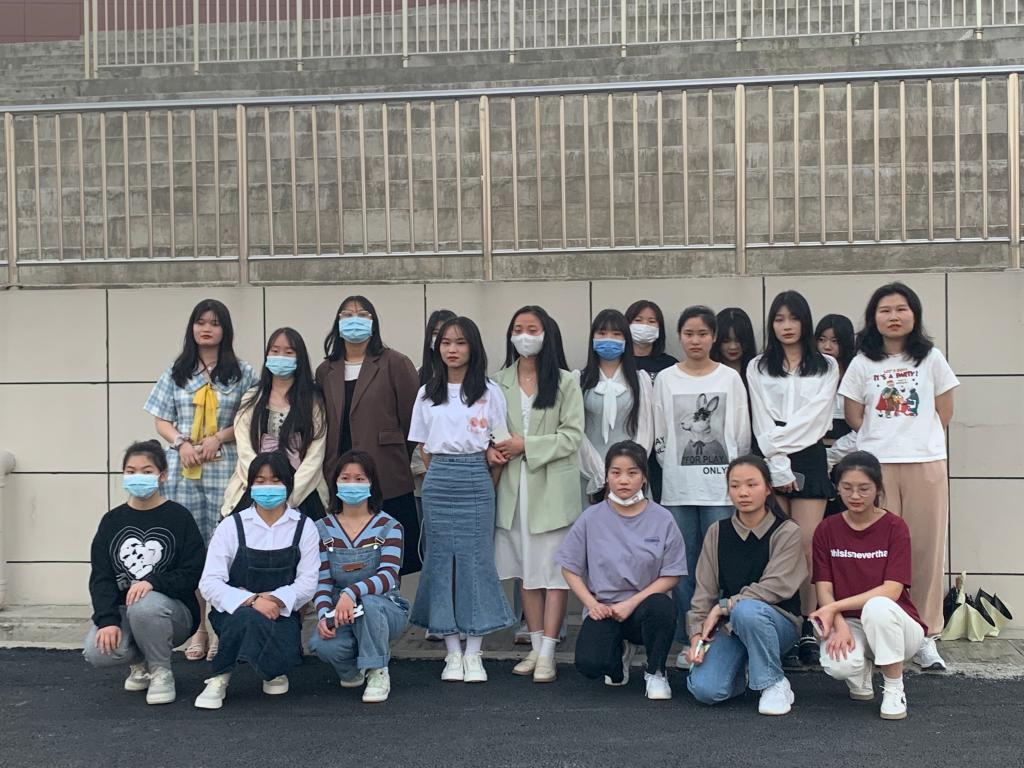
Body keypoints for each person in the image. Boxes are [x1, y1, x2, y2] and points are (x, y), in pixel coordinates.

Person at [839, 282, 958, 671]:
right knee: (880, 553)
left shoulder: (931, 358)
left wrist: (914, 438)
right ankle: (882, 630)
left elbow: (944, 411)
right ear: (873, 317)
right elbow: (854, 416)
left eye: (901, 309)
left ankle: (925, 635)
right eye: (885, 310)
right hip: (878, 466)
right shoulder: (862, 363)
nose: (893, 316)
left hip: (925, 462)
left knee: (925, 550)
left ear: (914, 315)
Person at [144, 298, 258, 662]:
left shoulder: (242, 372)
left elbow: (249, 419)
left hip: (225, 471)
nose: (206, 329)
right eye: (200, 322)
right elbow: (161, 418)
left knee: (225, 551)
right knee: (191, 550)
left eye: (214, 323)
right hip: (184, 471)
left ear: (226, 329)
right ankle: (199, 629)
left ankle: (222, 627)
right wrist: (180, 442)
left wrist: (219, 437)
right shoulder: (177, 371)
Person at [408, 316, 516, 683]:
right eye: (445, 343)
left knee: (476, 562)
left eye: (460, 342)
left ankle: (474, 651)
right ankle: (452, 650)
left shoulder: (490, 391)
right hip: (439, 478)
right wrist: (442, 472)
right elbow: (424, 448)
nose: (452, 350)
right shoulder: (426, 393)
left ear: (473, 347)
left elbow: (500, 444)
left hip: (476, 476)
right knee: (441, 562)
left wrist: (485, 477)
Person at [653, 306, 750, 667]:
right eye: (689, 333)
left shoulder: (729, 378)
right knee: (683, 565)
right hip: (678, 489)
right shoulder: (665, 379)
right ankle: (687, 638)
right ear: (680, 336)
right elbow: (659, 430)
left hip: (719, 490)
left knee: (720, 566)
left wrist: (733, 477)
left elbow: (740, 432)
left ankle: (720, 637)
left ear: (714, 337)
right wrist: (670, 464)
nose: (696, 340)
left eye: (703, 334)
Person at [493, 305, 585, 683]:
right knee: (525, 571)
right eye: (518, 328)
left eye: (532, 328)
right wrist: (494, 449)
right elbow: (489, 431)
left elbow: (572, 436)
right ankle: (534, 646)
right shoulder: (497, 382)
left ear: (548, 334)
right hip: (513, 489)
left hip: (552, 491)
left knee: (553, 573)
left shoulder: (566, 382)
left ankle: (548, 650)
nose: (524, 335)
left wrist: (526, 445)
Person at [747, 290, 838, 666]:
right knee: (773, 544)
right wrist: (777, 462)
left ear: (805, 321)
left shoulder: (826, 366)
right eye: (779, 319)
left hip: (808, 454)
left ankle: (809, 625)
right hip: (768, 456)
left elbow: (816, 418)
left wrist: (781, 453)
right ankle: (780, 620)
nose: (786, 326)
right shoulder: (757, 366)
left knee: (806, 544)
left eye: (793, 318)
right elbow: (760, 417)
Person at [556, 441, 685, 700]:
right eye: (616, 473)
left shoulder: (662, 518)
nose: (623, 480)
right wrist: (592, 604)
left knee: (663, 607)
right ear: (607, 476)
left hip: (644, 608)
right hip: (604, 609)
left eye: (632, 473)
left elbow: (672, 574)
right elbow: (569, 567)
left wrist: (631, 604)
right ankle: (619, 659)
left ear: (644, 478)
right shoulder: (591, 517)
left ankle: (656, 672)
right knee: (590, 665)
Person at [83, 441, 205, 705]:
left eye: (147, 471)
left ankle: (161, 671)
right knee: (97, 652)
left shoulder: (179, 517)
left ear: (163, 475)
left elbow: (192, 572)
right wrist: (107, 620)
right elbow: (101, 578)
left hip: (171, 612)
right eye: (131, 471)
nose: (138, 477)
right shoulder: (111, 521)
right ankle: (141, 664)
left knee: (145, 604)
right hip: (125, 611)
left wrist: (152, 582)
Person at [194, 452, 320, 710]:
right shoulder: (231, 526)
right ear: (250, 485)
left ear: (288, 484)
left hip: (280, 614)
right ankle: (220, 677)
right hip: (234, 614)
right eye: (260, 481)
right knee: (246, 618)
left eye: (275, 480)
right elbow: (209, 582)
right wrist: (252, 601)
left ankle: (272, 668)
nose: (267, 487)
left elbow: (308, 582)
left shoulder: (304, 526)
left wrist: (272, 600)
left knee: (261, 623)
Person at [685, 455, 807, 715]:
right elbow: (704, 590)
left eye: (752, 485)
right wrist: (697, 635)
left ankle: (773, 683)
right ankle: (748, 668)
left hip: (777, 623)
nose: (743, 492)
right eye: (735, 485)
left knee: (747, 610)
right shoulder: (717, 531)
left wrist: (724, 606)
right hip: (732, 627)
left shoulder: (787, 531)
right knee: (706, 690)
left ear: (768, 488)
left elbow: (775, 586)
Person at [810, 451, 926, 720]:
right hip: (850, 622)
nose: (855, 496)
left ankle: (894, 688)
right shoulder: (826, 529)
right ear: (837, 488)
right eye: (847, 488)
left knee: (877, 607)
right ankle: (859, 671)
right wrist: (839, 624)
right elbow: (824, 589)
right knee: (839, 665)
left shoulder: (895, 527)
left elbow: (892, 590)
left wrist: (834, 608)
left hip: (896, 624)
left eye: (864, 489)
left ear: (878, 489)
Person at [316, 294, 422, 575]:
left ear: (373, 323)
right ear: (337, 323)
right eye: (347, 315)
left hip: (386, 473)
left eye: (362, 315)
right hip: (342, 477)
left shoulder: (395, 363)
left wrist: (395, 453)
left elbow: (413, 422)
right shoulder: (326, 370)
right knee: (346, 555)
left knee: (391, 557)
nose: (355, 320)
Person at [309, 450, 410, 703]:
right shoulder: (321, 529)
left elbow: (388, 576)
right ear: (335, 483)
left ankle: (378, 671)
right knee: (323, 645)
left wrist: (350, 593)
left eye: (359, 478)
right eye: (345, 478)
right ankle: (352, 670)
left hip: (384, 607)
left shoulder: (390, 527)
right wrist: (324, 615)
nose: (351, 484)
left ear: (371, 484)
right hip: (340, 611)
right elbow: (323, 581)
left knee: (370, 604)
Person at [222, 327, 328, 520]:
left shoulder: (313, 401)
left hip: (303, 491)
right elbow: (244, 450)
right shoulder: (252, 398)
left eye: (289, 352)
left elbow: (316, 453)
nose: (281, 357)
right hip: (255, 486)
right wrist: (261, 484)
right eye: (275, 351)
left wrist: (290, 495)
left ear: (300, 358)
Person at [578, 308, 654, 503]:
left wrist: (630, 469)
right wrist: (599, 472)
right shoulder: (578, 380)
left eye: (616, 334)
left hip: (630, 475)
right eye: (602, 333)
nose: (609, 339)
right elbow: (576, 432)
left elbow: (646, 430)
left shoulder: (640, 380)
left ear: (626, 339)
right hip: (587, 471)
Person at [624, 299, 677, 503]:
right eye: (638, 320)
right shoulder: (619, 364)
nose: (644, 326)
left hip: (664, 449)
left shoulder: (670, 365)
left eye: (651, 321)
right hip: (630, 441)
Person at [815, 314, 857, 516]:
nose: (827, 346)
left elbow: (863, 426)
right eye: (822, 340)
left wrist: (832, 455)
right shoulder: (810, 374)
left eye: (834, 341)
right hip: (813, 454)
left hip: (850, 456)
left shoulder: (855, 374)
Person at [710, 307, 758, 388]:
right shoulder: (708, 372)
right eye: (726, 341)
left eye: (738, 340)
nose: (733, 347)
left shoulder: (757, 371)